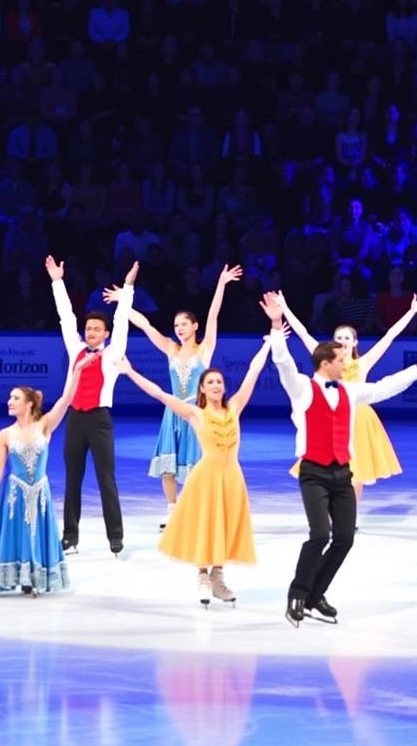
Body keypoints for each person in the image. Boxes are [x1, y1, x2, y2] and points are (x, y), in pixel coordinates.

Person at [261, 290, 417, 627]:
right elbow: (283, 363)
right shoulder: (302, 388)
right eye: (339, 358)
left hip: (342, 472)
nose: (345, 361)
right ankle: (299, 593)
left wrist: (416, 370)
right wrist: (277, 325)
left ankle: (317, 594)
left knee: (344, 538)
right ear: (325, 363)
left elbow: (384, 388)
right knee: (319, 535)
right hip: (314, 472)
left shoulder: (350, 390)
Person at [116, 337, 274, 607]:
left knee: (225, 524)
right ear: (201, 387)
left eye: (219, 382)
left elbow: (253, 371)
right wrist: (129, 371)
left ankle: (218, 577)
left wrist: (269, 342)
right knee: (207, 524)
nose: (216, 386)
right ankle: (202, 575)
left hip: (232, 478)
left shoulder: (234, 408)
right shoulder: (195, 413)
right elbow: (160, 394)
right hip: (206, 478)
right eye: (210, 382)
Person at [103, 263, 242, 530]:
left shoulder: (205, 350)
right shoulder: (170, 348)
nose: (178, 328)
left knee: (195, 464)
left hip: (196, 415)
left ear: (194, 326)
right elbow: (145, 324)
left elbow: (214, 316)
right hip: (172, 413)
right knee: (167, 464)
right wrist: (123, 303)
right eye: (176, 324)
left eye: (184, 324)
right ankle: (173, 510)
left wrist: (221, 284)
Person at [272, 288, 417, 504]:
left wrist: (412, 312)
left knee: (356, 472)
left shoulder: (363, 362)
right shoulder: (324, 358)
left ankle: (350, 516)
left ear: (355, 342)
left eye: (347, 338)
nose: (343, 341)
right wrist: (285, 309)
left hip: (360, 420)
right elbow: (302, 334)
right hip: (330, 418)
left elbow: (389, 336)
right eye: (339, 337)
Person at [0, 356, 99, 595]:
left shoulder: (45, 424)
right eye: (10, 398)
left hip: (40, 492)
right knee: (17, 534)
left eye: (16, 398)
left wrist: (77, 371)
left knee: (36, 532)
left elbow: (66, 399)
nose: (9, 402)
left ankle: (33, 578)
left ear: (29, 404)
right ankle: (20, 577)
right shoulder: (4, 434)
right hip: (15, 494)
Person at [44, 255, 136, 555]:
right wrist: (57, 281)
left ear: (106, 333)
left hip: (99, 420)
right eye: (89, 328)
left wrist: (128, 288)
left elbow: (122, 321)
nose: (91, 332)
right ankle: (70, 536)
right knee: (72, 479)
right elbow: (66, 317)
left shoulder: (112, 353)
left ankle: (116, 537)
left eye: (97, 329)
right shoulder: (76, 349)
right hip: (75, 420)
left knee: (105, 478)